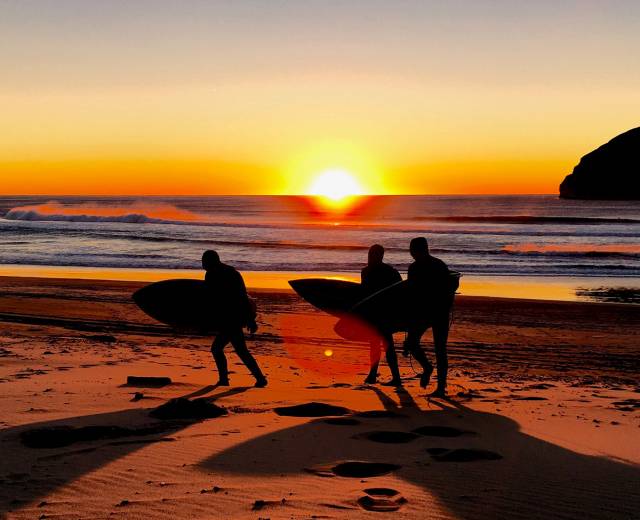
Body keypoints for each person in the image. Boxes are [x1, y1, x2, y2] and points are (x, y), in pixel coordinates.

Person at [202, 250, 267, 388]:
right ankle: (258, 378)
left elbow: (242, 297)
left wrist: (250, 319)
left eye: (204, 261)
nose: (203, 265)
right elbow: (210, 300)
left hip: (233, 318)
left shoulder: (226, 274)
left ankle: (227, 380)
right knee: (237, 350)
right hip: (228, 318)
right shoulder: (217, 273)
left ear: (212, 261)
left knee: (220, 349)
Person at [403, 237, 453, 396]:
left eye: (412, 249)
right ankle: (430, 372)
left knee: (434, 348)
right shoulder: (437, 265)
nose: (411, 252)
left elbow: (411, 294)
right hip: (432, 312)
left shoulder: (421, 267)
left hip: (431, 312)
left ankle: (438, 384)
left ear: (420, 250)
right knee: (418, 344)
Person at [361, 244, 403, 386]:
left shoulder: (367, 271)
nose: (371, 257)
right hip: (382, 313)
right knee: (381, 345)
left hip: (380, 313)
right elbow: (401, 289)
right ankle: (378, 375)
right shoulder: (390, 271)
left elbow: (364, 294)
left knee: (382, 345)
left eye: (372, 254)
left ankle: (385, 376)